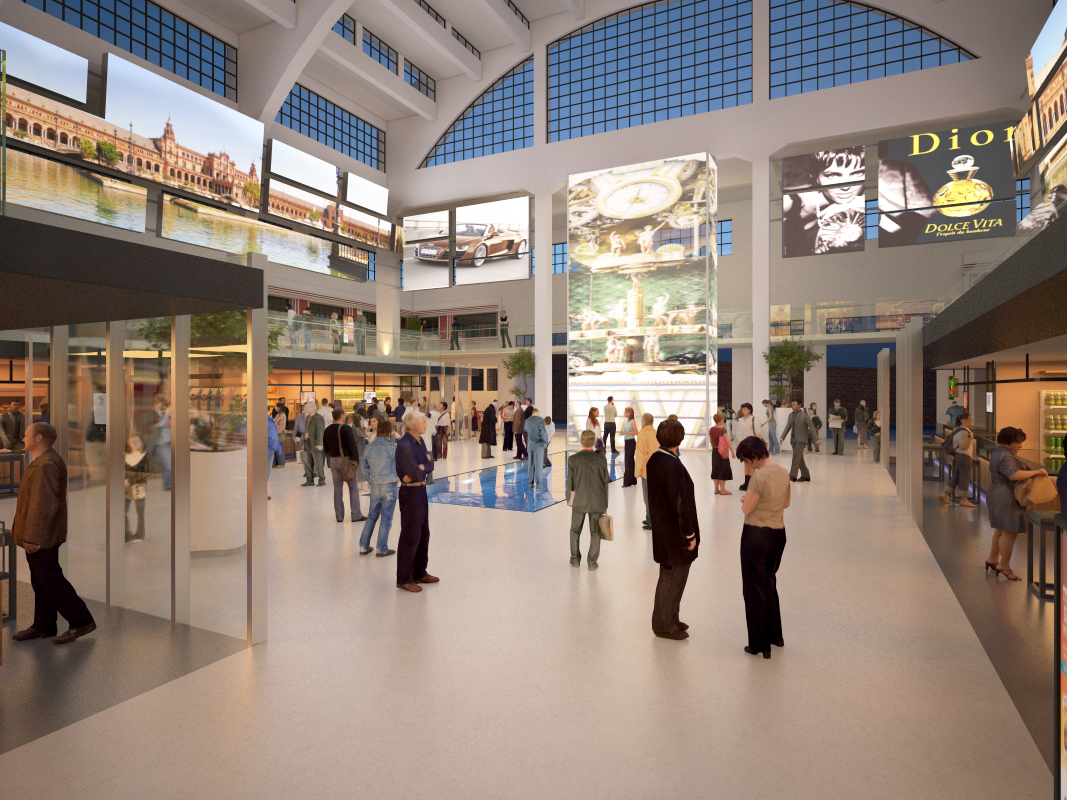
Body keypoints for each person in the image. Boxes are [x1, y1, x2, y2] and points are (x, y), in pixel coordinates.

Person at [11, 422, 96, 645]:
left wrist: (33, 537)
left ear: (38, 438)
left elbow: (44, 505)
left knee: (51, 581)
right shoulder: (43, 461)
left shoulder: (47, 464)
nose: (24, 436)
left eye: (27, 434)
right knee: (41, 581)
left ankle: (81, 620)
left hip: (42, 537)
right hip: (40, 535)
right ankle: (44, 625)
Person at [737, 436, 791, 659]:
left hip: (756, 535)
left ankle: (759, 644)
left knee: (753, 588)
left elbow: (747, 509)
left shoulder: (758, 478)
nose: (747, 464)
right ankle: (775, 636)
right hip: (778, 534)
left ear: (754, 456)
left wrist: (744, 500)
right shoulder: (783, 472)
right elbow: (786, 503)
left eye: (746, 460)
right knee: (769, 583)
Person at [646, 418, 699, 640]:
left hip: (662, 527)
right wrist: (689, 534)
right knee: (672, 577)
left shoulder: (656, 459)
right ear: (680, 437)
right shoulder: (673, 465)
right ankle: (664, 625)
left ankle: (671, 617)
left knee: (672, 576)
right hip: (675, 532)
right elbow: (680, 503)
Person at [985, 427, 1047, 581]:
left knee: (1000, 529)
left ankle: (993, 558)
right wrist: (1037, 472)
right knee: (1009, 532)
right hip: (1007, 495)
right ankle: (1004, 566)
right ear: (1009, 441)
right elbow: (1014, 474)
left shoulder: (997, 451)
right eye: (1019, 442)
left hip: (995, 491)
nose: (1021, 446)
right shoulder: (1006, 455)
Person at [395, 411, 438, 592]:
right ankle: (404, 578)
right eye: (424, 421)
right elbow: (414, 472)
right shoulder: (404, 445)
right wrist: (421, 467)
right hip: (410, 493)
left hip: (421, 490)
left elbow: (431, 464)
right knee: (410, 535)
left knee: (423, 532)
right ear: (416, 425)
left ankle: (420, 572)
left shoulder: (420, 442)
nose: (426, 424)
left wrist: (424, 466)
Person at [566, 430, 610, 570]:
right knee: (596, 532)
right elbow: (605, 484)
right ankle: (592, 562)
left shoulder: (573, 459)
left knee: (575, 530)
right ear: (593, 442)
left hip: (579, 501)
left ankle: (575, 559)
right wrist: (605, 504)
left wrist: (570, 501)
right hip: (597, 501)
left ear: (581, 442)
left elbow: (570, 483)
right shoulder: (601, 460)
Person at [360, 418, 398, 557]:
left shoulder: (369, 446)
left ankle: (363, 546)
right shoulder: (393, 447)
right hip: (390, 485)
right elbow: (399, 465)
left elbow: (364, 466)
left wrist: (371, 479)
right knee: (386, 518)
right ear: (389, 431)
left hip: (375, 485)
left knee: (371, 516)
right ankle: (381, 549)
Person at [325, 408, 365, 523]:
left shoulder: (327, 429)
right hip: (346, 461)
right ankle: (356, 515)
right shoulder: (346, 428)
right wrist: (356, 460)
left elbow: (325, 447)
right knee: (353, 488)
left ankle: (339, 516)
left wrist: (330, 459)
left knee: (337, 488)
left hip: (333, 460)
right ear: (342, 415)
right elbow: (352, 445)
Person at [938, 412, 976, 508]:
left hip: (958, 455)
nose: (971, 421)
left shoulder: (956, 429)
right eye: (970, 419)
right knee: (965, 477)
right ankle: (964, 499)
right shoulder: (965, 431)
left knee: (957, 476)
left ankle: (944, 494)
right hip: (965, 456)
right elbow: (962, 445)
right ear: (963, 420)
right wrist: (970, 441)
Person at [780, 399, 820, 482]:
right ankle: (806, 475)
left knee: (795, 456)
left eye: (794, 404)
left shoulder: (804, 416)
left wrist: (816, 439)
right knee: (799, 458)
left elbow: (812, 428)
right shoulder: (790, 415)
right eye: (792, 404)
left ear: (799, 405)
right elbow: (788, 426)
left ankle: (792, 475)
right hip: (793, 439)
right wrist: (782, 437)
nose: (792, 405)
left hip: (801, 440)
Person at [124, 433, 150, 542]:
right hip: (125, 488)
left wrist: (132, 481)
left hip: (139, 488)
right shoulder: (125, 455)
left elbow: (147, 473)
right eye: (132, 441)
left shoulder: (145, 456)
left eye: (137, 441)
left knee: (140, 512)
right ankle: (126, 534)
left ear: (142, 442)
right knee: (123, 510)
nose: (135, 443)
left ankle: (139, 535)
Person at [734, 402, 763, 491]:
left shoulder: (754, 419)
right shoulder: (740, 420)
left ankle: (751, 483)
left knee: (752, 464)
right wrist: (737, 445)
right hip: (742, 446)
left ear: (749, 410)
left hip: (751, 445)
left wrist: (754, 445)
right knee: (746, 464)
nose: (743, 411)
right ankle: (746, 482)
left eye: (745, 409)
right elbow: (738, 434)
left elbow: (758, 434)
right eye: (742, 409)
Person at [635, 413, 657, 530]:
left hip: (646, 470)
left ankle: (651, 521)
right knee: (655, 496)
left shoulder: (642, 434)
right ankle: (650, 518)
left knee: (647, 496)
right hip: (657, 469)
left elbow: (640, 454)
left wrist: (637, 470)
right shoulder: (657, 433)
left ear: (643, 421)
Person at [301, 400, 326, 487]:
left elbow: (320, 431)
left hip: (315, 443)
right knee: (307, 462)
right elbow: (306, 430)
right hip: (307, 443)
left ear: (312, 408)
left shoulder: (318, 418)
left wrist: (320, 443)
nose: (305, 409)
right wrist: (304, 441)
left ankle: (322, 480)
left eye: (307, 407)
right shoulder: (308, 417)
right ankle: (309, 480)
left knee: (318, 462)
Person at [710, 412, 735, 495]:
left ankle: (716, 489)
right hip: (722, 452)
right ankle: (723, 490)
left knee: (715, 469)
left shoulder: (711, 429)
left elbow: (711, 441)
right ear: (722, 420)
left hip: (714, 451)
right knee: (722, 469)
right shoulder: (722, 429)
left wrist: (714, 447)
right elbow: (728, 441)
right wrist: (732, 451)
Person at [527, 410, 549, 490]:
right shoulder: (540, 420)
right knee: (539, 465)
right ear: (538, 413)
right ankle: (539, 485)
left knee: (531, 464)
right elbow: (542, 432)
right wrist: (545, 441)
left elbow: (526, 430)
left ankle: (530, 483)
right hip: (538, 445)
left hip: (530, 445)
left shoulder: (527, 420)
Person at [267, 411, 284, 500]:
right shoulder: (269, 421)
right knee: (266, 472)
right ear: (268, 412)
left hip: (260, 449)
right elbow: (273, 437)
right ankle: (262, 493)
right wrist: (278, 448)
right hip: (270, 449)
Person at [621, 407, 638, 487]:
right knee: (630, 461)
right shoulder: (627, 421)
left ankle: (627, 482)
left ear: (629, 413)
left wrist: (625, 432)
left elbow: (636, 433)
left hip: (631, 442)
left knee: (628, 462)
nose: (624, 413)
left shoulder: (632, 421)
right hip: (627, 442)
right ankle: (632, 481)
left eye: (625, 412)